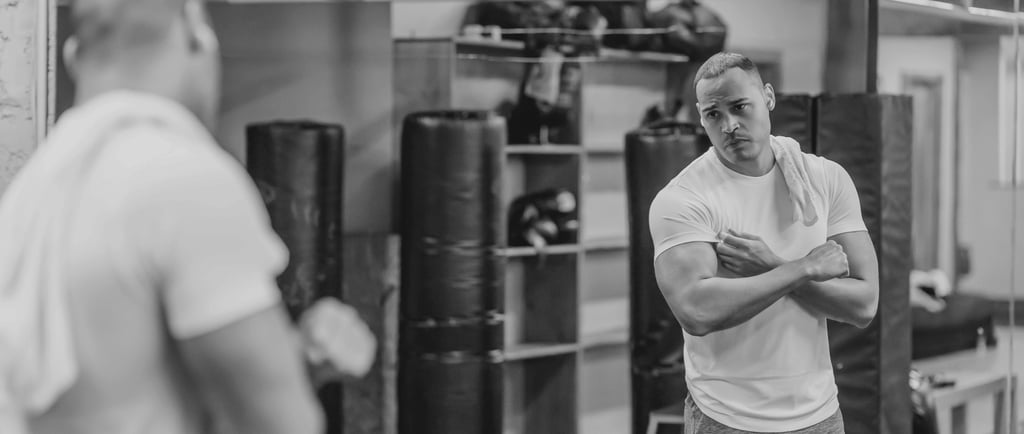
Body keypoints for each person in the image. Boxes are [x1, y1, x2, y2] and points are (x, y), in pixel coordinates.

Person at [0, 0, 375, 433]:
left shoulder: (32, 197)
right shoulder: (181, 178)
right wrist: (280, 381)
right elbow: (282, 423)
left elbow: (131, 391)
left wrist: (298, 359)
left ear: (72, 56)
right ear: (196, 29)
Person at [649, 52, 879, 433]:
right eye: (713, 114)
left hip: (820, 414)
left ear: (768, 97)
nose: (729, 125)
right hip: (726, 417)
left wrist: (770, 264)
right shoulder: (684, 199)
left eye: (740, 107)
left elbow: (864, 303)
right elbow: (696, 311)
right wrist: (802, 268)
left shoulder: (824, 178)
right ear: (700, 117)